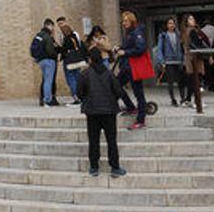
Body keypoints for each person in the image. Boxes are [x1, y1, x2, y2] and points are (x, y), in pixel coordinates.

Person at [77, 48, 127, 178]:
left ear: (90, 59)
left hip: (92, 112)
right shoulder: (109, 73)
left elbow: (79, 93)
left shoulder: (85, 74)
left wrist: (88, 100)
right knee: (111, 140)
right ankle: (115, 167)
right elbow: (119, 91)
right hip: (109, 111)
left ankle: (94, 167)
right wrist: (111, 100)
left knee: (93, 140)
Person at [115, 11, 148, 130]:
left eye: (126, 20)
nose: (124, 23)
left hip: (133, 67)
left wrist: (125, 52)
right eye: (123, 21)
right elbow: (128, 47)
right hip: (126, 67)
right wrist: (119, 48)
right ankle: (130, 107)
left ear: (132, 21)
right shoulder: (129, 33)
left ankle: (141, 120)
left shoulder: (136, 32)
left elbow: (141, 48)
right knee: (116, 85)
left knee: (139, 93)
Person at [181, 14, 211, 108]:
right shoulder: (192, 31)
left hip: (189, 57)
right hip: (195, 57)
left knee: (191, 79)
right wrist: (207, 53)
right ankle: (197, 102)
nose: (193, 20)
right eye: (190, 19)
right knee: (196, 80)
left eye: (193, 18)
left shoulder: (184, 32)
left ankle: (188, 100)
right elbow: (197, 44)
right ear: (186, 21)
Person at [155, 17, 186, 107]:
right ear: (166, 25)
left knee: (181, 81)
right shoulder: (163, 35)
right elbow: (159, 49)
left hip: (179, 60)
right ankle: (173, 99)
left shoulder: (178, 34)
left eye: (173, 23)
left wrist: (183, 59)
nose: (171, 25)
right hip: (168, 61)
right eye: (169, 23)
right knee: (170, 81)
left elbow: (182, 48)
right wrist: (161, 61)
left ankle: (183, 99)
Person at [34, 19, 60, 107]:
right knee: (49, 81)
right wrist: (54, 54)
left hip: (41, 61)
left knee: (45, 80)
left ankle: (44, 99)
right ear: (48, 25)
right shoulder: (47, 36)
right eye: (52, 26)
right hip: (49, 60)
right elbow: (50, 50)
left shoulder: (39, 35)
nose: (53, 28)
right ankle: (47, 100)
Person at [60, 24, 87, 107]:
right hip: (77, 61)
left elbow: (64, 50)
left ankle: (76, 98)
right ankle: (81, 97)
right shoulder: (75, 37)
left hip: (69, 62)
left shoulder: (67, 39)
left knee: (71, 79)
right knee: (77, 78)